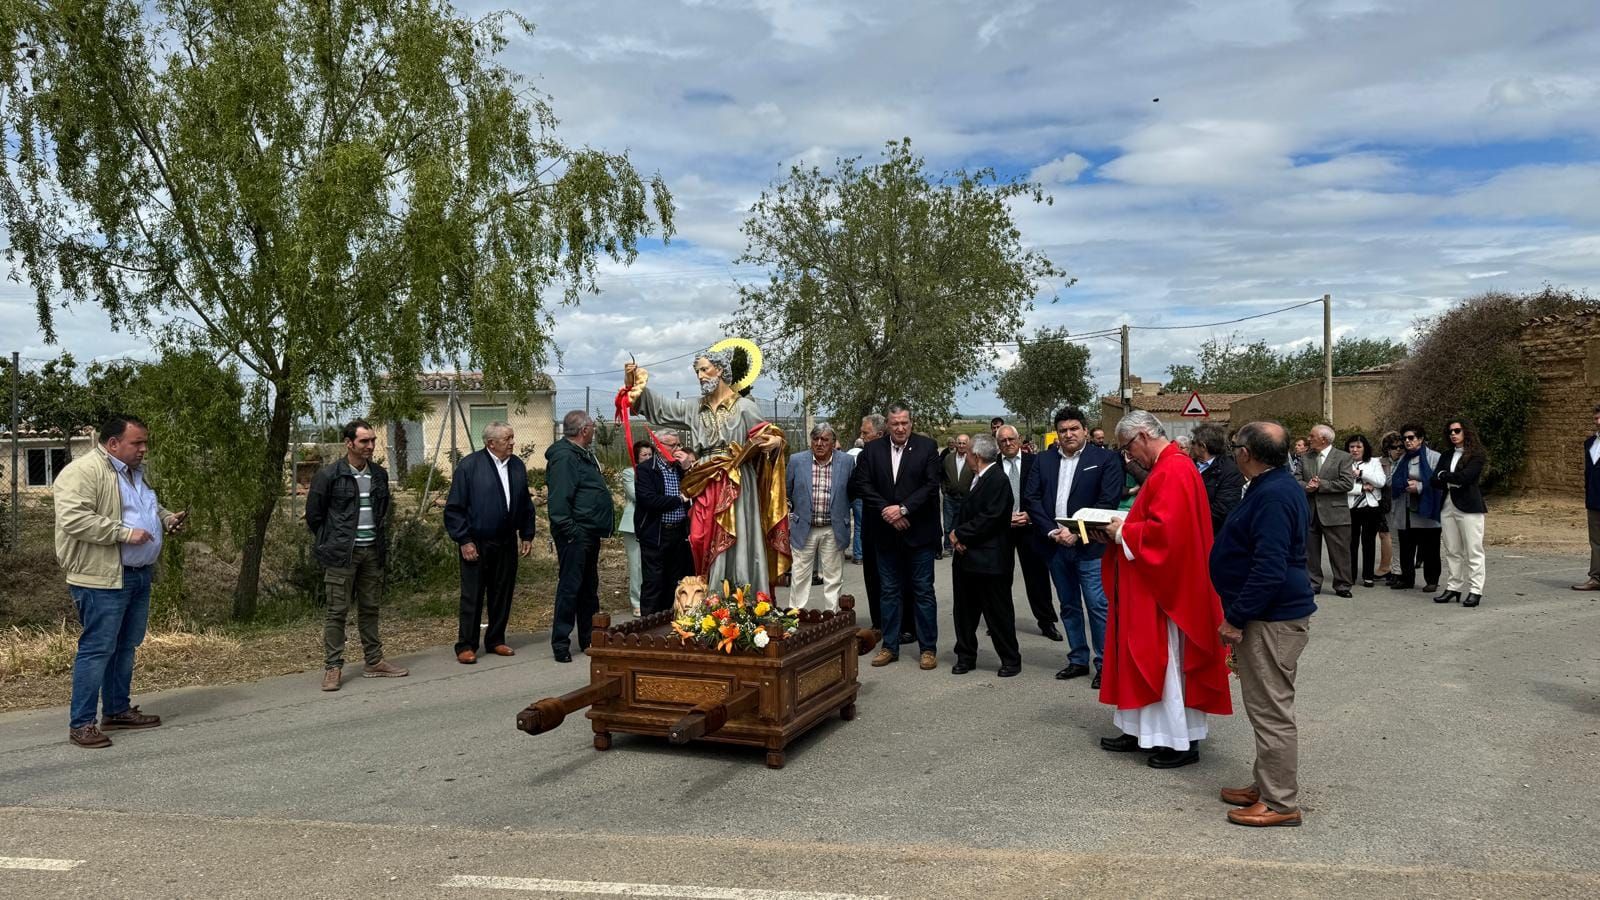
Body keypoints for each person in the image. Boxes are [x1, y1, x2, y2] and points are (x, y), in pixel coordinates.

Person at [1099, 410, 1232, 769]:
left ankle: (1179, 740)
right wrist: (1127, 522)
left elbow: (1167, 534)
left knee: (1164, 661)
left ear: (1142, 436)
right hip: (1151, 584)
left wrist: (1123, 533)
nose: (1129, 457)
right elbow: (1157, 518)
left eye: (1128, 448)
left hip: (1167, 591)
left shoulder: (1173, 468)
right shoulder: (1168, 466)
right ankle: (1141, 730)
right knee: (1141, 656)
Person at [53, 415, 186, 748]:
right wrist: (124, 533)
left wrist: (165, 518)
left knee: (126, 646)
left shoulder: (131, 472)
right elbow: (74, 518)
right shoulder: (83, 472)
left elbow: (140, 507)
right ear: (113, 444)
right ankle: (81, 723)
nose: (144, 449)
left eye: (144, 442)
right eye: (137, 442)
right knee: (97, 649)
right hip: (100, 577)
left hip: (137, 575)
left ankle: (116, 709)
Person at [1212, 421, 1317, 828]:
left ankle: (1280, 802)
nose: (1234, 451)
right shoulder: (1270, 485)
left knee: (1271, 709)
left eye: (1236, 445)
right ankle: (1267, 783)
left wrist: (1236, 619)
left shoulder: (1273, 494)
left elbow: (1269, 567)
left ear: (1247, 453)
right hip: (1267, 614)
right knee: (1263, 706)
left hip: (1270, 618)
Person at [624, 347, 789, 592]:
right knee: (701, 536)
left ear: (720, 370)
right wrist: (634, 384)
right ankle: (709, 593)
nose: (700, 376)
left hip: (737, 477)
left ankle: (740, 596)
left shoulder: (744, 407)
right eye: (697, 371)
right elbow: (660, 408)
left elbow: (769, 436)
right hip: (704, 478)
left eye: (704, 369)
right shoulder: (694, 409)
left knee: (739, 537)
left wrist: (776, 442)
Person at [1023, 406, 1124, 687]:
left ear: (1085, 431)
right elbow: (1032, 498)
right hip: (1055, 546)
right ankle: (1077, 659)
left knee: (1097, 606)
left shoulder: (1104, 459)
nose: (1068, 434)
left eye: (1074, 429)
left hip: (1089, 548)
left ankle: (1105, 664)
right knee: (1068, 605)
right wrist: (1053, 531)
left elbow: (1107, 502)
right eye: (1063, 430)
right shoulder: (1043, 460)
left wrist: (1078, 533)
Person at [307, 419, 409, 691]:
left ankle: (374, 661)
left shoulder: (379, 475)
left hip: (372, 552)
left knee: (370, 608)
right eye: (364, 441)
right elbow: (315, 517)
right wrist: (333, 542)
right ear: (349, 443)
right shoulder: (329, 476)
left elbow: (382, 510)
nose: (371, 446)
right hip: (341, 555)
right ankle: (333, 667)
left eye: (373, 440)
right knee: (336, 612)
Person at [851, 403, 942, 670]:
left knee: (923, 592)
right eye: (895, 424)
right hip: (885, 535)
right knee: (889, 592)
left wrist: (903, 509)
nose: (900, 428)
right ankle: (890, 647)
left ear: (910, 423)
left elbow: (930, 485)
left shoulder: (927, 447)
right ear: (887, 426)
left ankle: (928, 649)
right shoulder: (872, 449)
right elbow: (863, 485)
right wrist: (886, 511)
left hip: (919, 534)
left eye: (904, 423)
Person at [443, 421, 537, 664]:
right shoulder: (470, 466)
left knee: (502, 592)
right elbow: (454, 509)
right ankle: (466, 645)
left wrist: (527, 533)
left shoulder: (516, 465)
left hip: (506, 541)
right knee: (473, 594)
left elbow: (525, 503)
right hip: (476, 542)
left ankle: (495, 639)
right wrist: (464, 540)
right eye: (508, 439)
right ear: (490, 443)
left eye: (512, 437)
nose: (513, 442)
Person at [949, 434, 1021, 677]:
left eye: (968, 452)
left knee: (998, 613)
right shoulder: (977, 478)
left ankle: (1010, 659)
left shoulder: (997, 479)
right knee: (965, 612)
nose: (965, 455)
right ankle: (966, 656)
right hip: (967, 558)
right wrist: (959, 537)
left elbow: (991, 518)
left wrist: (960, 534)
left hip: (990, 560)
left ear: (976, 456)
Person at [545, 411, 613, 662]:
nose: (594, 431)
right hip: (575, 534)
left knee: (588, 589)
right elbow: (560, 501)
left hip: (588, 532)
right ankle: (561, 643)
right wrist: (571, 532)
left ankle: (588, 638)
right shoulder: (565, 458)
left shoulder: (582, 455)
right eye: (592, 427)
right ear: (584, 430)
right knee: (570, 588)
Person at [995, 425, 1063, 641]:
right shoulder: (992, 466)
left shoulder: (1035, 463)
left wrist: (1033, 516)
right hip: (1002, 529)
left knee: (1037, 577)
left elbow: (1046, 495)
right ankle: (1000, 620)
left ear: (1019, 439)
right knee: (1000, 577)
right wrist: (1004, 517)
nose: (1007, 443)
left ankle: (1046, 621)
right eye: (1003, 440)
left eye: (1011, 439)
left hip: (1031, 528)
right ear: (998, 444)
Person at [785, 423, 854, 610]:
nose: (819, 443)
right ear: (811, 442)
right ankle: (795, 616)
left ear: (833, 442)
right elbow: (787, 492)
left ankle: (831, 615)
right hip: (804, 528)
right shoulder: (796, 461)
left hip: (833, 528)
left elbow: (852, 493)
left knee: (833, 576)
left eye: (824, 439)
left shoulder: (847, 462)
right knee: (799, 575)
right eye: (815, 439)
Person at [634, 430, 694, 616]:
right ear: (659, 447)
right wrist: (679, 499)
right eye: (672, 445)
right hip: (656, 534)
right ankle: (647, 627)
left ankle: (670, 624)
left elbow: (694, 489)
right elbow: (650, 500)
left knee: (675, 582)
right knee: (654, 582)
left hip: (678, 534)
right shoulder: (646, 469)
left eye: (679, 445)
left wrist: (687, 468)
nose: (677, 449)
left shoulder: (678, 469)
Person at [1432, 418, 1488, 607]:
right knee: (1452, 550)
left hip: (1469, 506)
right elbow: (1434, 480)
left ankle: (1475, 590)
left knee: (1473, 550)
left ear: (1466, 432)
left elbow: (1466, 478)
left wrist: (1445, 476)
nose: (1453, 434)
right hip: (1447, 505)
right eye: (1450, 432)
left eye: (1457, 430)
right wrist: (1447, 478)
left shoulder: (1477, 454)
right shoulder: (1447, 455)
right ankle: (1453, 587)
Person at [1296, 424, 1355, 598]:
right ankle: (1313, 583)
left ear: (1324, 439)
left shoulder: (1343, 457)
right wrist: (1307, 486)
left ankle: (1343, 584)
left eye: (1312, 436)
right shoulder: (1305, 458)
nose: (1309, 438)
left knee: (1340, 551)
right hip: (1310, 511)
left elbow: (1347, 483)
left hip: (1335, 513)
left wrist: (1322, 485)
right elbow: (1296, 478)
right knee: (1310, 551)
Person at [1389, 425, 1444, 593]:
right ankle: (1407, 578)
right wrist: (1403, 484)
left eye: (1411, 437)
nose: (1407, 441)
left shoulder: (1434, 457)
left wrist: (1419, 486)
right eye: (1404, 438)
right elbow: (1390, 480)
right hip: (1405, 508)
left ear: (1420, 439)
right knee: (1406, 547)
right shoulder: (1401, 458)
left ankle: (1432, 580)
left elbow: (1439, 481)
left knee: (1430, 548)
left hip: (1426, 510)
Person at [852, 414, 887, 628]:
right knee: (873, 577)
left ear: (880, 434)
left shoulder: (895, 455)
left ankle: (901, 623)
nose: (862, 437)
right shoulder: (864, 457)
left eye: (865, 433)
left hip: (894, 526)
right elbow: (856, 484)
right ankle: (878, 622)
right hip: (871, 526)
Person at [1344, 434, 1387, 589]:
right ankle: (1351, 574)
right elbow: (1342, 486)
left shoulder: (1374, 462)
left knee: (1368, 542)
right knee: (1351, 542)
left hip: (1370, 507)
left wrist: (1362, 474)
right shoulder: (1343, 463)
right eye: (1351, 447)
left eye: (1358, 447)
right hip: (1350, 507)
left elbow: (1381, 482)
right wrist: (1361, 488)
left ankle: (1368, 576)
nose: (1355, 450)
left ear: (1365, 448)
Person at [618, 440, 653, 615]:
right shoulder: (630, 473)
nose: (648, 458)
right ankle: (636, 601)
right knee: (636, 564)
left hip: (652, 523)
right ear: (636, 458)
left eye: (650, 454)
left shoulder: (655, 472)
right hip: (633, 524)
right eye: (644, 455)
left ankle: (650, 598)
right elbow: (636, 495)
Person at [1192, 422, 1243, 537]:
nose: (1191, 446)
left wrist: (1188, 515)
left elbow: (1223, 509)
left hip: (1213, 535)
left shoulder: (1229, 471)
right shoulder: (1190, 465)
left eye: (1193, 443)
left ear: (1203, 446)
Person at [940, 433, 975, 555]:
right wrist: (944, 490)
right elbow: (942, 475)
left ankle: (962, 545)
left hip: (966, 498)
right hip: (950, 497)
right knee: (948, 524)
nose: (961, 445)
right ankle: (948, 547)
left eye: (964, 443)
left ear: (968, 444)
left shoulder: (973, 458)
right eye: (959, 443)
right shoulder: (948, 458)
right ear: (955, 444)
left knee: (964, 523)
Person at [1578, 405, 1600, 591]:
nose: (1598, 422)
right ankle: (1596, 578)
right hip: (1594, 500)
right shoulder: (1590, 442)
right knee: (1596, 541)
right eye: (1596, 418)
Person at [1378, 431, 1402, 584]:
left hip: (1402, 503)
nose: (1398, 450)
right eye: (1394, 447)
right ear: (1387, 448)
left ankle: (1394, 569)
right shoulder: (1380, 462)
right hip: (1386, 503)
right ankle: (1391, 569)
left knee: (1399, 539)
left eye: (1401, 447)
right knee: (1389, 536)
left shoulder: (1406, 460)